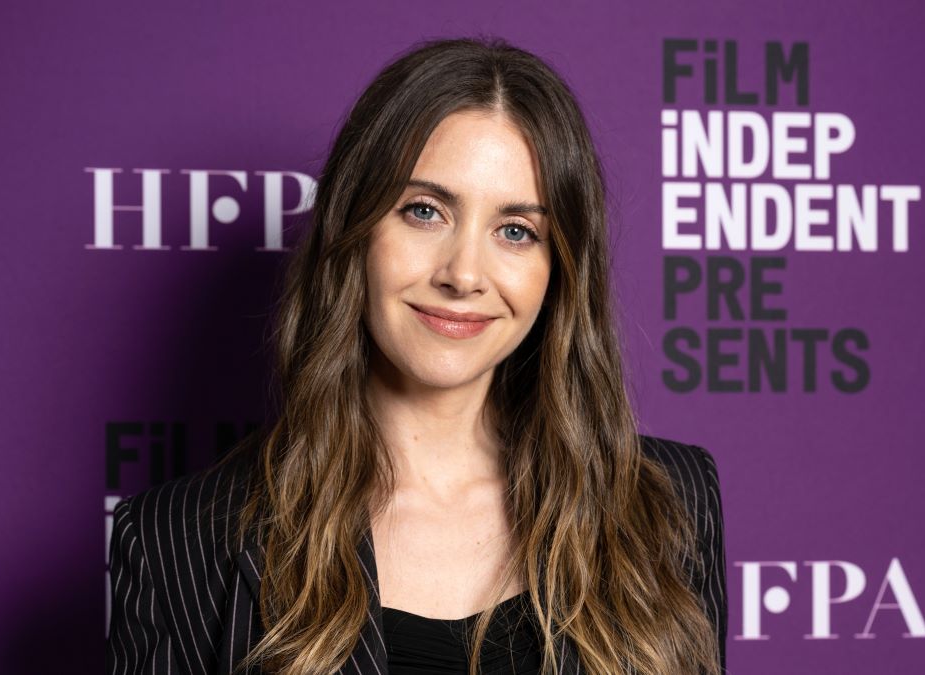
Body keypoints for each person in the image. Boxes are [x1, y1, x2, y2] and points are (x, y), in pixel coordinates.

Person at [106, 37, 726, 675]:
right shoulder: (178, 542)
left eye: (516, 231)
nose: (464, 274)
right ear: (356, 231)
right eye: (424, 211)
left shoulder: (668, 505)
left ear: (560, 269)